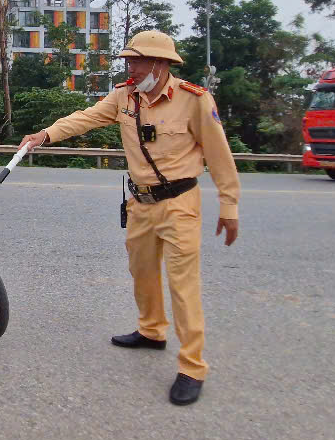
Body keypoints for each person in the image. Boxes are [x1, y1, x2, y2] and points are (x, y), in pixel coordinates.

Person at [18, 30, 241, 406]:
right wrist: (45, 135)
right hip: (140, 204)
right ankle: (152, 331)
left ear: (159, 63)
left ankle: (192, 366)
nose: (129, 67)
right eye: (128, 61)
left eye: (135, 61)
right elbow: (85, 118)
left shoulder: (195, 101)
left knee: (182, 285)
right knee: (142, 272)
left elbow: (220, 155)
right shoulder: (125, 97)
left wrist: (229, 206)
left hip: (180, 203)